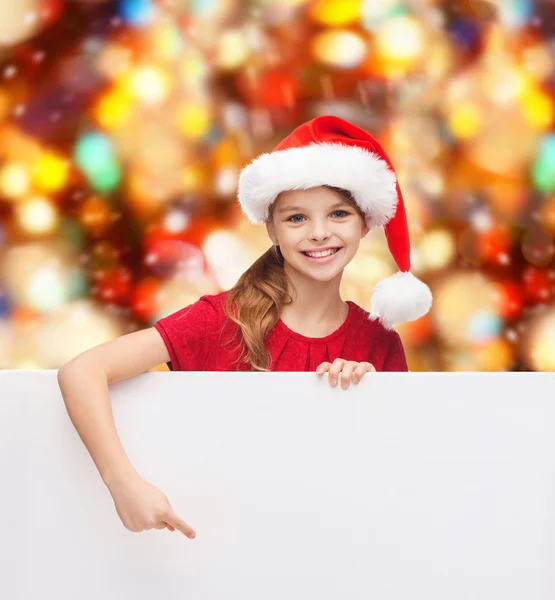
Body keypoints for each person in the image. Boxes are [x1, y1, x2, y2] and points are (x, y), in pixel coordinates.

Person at [57, 115, 432, 540]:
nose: (319, 233)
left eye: (338, 213)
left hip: (331, 552)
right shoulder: (220, 320)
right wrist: (124, 485)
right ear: (270, 227)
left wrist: (364, 399)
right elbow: (82, 372)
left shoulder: (378, 342)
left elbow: (392, 473)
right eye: (296, 218)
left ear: (363, 223)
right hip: (224, 551)